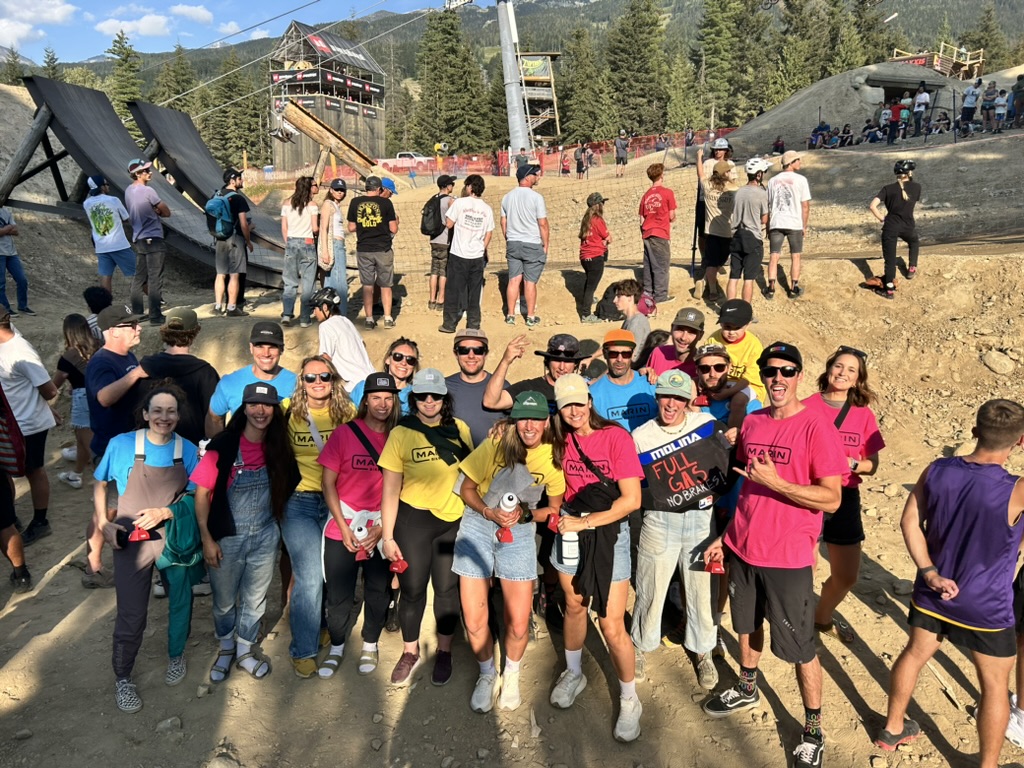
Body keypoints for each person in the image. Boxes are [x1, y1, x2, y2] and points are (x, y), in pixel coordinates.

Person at [702, 341, 845, 768]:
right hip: (743, 547)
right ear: (762, 374)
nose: (777, 378)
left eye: (786, 371)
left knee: (800, 646)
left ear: (800, 375)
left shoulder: (817, 427)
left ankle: (813, 727)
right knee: (745, 625)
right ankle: (748, 686)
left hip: (787, 557)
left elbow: (832, 499)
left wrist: (779, 483)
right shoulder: (754, 422)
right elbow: (749, 486)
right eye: (770, 370)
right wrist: (725, 535)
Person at [874, 400, 1024, 768]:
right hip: (986, 605)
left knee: (915, 653)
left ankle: (892, 727)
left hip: (933, 592)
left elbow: (909, 522)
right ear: (1019, 442)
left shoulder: (937, 470)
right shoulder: (1017, 489)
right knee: (993, 686)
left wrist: (929, 572)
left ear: (974, 431)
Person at [454, 391, 565, 712]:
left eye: (537, 418)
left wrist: (527, 515)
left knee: (517, 622)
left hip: (519, 529)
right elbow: (467, 487)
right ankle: (487, 673)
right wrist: (488, 513)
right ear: (513, 420)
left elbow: (554, 510)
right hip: (478, 522)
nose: (529, 426)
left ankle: (512, 673)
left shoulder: (554, 457)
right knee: (474, 621)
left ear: (547, 421)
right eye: (523, 418)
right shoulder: (496, 443)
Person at [93, 385, 201, 712]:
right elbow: (100, 483)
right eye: (157, 411)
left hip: (174, 536)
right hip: (130, 540)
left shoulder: (189, 450)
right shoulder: (122, 445)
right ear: (145, 413)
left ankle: (176, 656)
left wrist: (168, 511)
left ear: (178, 416)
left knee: (180, 601)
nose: (163, 418)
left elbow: (198, 494)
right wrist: (103, 523)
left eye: (170, 412)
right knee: (131, 611)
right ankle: (123, 678)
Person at [548, 373, 643, 742]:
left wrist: (586, 523)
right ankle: (575, 672)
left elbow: (631, 500)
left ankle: (630, 698)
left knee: (611, 622)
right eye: (565, 405)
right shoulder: (558, 439)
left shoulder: (615, 437)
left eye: (578, 402)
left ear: (590, 401)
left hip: (606, 533)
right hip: (572, 530)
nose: (574, 411)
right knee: (573, 606)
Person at [193, 382, 300, 683]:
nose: (260, 411)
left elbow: (289, 484)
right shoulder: (223, 445)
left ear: (275, 410)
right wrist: (207, 538)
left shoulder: (278, 447)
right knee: (224, 601)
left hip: (266, 536)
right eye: (253, 404)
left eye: (266, 405)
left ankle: (244, 651)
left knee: (255, 599)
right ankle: (225, 648)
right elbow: (202, 495)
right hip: (226, 538)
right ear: (244, 408)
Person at [379, 369, 473, 686]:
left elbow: (472, 475)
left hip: (452, 521)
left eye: (435, 395)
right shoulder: (401, 434)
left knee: (447, 590)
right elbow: (390, 489)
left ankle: (444, 651)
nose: (429, 401)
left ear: (444, 398)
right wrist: (388, 536)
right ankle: (410, 651)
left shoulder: (459, 429)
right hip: (413, 521)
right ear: (414, 398)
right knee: (412, 589)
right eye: (422, 395)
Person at [631, 370, 718, 688]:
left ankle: (703, 650)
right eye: (666, 395)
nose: (671, 403)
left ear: (688, 401)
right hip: (659, 518)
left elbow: (721, 466)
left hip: (699, 519)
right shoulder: (640, 436)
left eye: (679, 398)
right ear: (657, 397)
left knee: (700, 588)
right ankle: (640, 646)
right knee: (650, 587)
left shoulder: (705, 425)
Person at [318, 372, 401, 678]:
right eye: (376, 398)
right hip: (344, 525)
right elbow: (328, 484)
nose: (382, 404)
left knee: (378, 590)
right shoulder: (344, 434)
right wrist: (343, 525)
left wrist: (383, 530)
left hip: (380, 527)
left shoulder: (399, 436)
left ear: (394, 402)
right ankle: (338, 644)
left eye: (388, 398)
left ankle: (369, 643)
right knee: (338, 592)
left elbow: (401, 488)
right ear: (365, 400)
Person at [804, 346, 884, 644]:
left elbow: (872, 465)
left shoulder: (863, 415)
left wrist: (851, 463)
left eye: (851, 370)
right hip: (810, 494)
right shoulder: (805, 406)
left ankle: (821, 616)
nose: (843, 373)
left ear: (857, 380)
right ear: (828, 369)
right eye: (839, 366)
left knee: (847, 575)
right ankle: (796, 621)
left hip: (845, 495)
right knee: (804, 567)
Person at [282, 356, 355, 678]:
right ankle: (303, 649)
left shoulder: (347, 414)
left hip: (337, 502)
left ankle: (319, 625)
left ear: (333, 378)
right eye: (311, 378)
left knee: (327, 572)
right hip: (298, 502)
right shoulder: (287, 410)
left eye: (324, 376)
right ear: (302, 381)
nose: (318, 382)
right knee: (309, 576)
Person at [84, 307, 149, 585]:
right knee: (107, 510)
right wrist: (136, 375)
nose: (139, 328)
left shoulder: (127, 356)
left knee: (122, 506)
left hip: (129, 444)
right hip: (112, 449)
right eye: (132, 324)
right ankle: (93, 567)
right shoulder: (101, 362)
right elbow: (104, 397)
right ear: (113, 331)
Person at [0, 312, 57, 545]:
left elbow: (50, 390)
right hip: (10, 421)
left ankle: (41, 521)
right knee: (4, 470)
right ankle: (10, 517)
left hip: (28, 423)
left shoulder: (21, 351)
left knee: (34, 470)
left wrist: (44, 408)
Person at [139, 308, 220, 446]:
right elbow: (214, 417)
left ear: (164, 331)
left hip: (150, 448)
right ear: (195, 332)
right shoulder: (205, 372)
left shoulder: (145, 368)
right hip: (191, 450)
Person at [205, 321, 295, 437]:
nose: (266, 353)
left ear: (281, 349)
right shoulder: (230, 382)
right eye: (260, 346)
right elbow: (214, 418)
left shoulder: (297, 383)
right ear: (251, 348)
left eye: (272, 347)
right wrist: (218, 450)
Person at [440, 174, 494, 334]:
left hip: (458, 254)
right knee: (474, 291)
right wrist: (481, 247)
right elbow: (489, 233)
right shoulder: (487, 209)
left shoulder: (460, 203)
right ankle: (473, 324)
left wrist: (451, 206)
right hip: (476, 255)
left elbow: (448, 224)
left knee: (453, 290)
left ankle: (449, 324)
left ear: (469, 187)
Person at [51, 314, 99, 490]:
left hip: (82, 398)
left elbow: (54, 385)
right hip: (100, 395)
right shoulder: (98, 346)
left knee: (88, 443)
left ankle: (102, 486)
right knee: (80, 438)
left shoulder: (68, 356)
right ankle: (76, 474)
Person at [483, 333, 588, 413]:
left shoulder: (583, 390)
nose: (562, 367)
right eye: (556, 360)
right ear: (547, 361)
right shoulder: (528, 389)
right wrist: (505, 361)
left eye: (567, 361)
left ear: (576, 364)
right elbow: (490, 402)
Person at [501, 164, 548, 327]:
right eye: (536, 174)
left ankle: (510, 315)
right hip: (532, 243)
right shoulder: (536, 198)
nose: (538, 177)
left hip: (513, 243)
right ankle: (530, 316)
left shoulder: (507, 197)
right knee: (529, 282)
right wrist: (546, 245)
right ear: (528, 177)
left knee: (513, 280)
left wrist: (509, 238)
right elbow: (542, 223)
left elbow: (503, 221)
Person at [348, 176, 398, 329]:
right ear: (379, 189)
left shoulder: (355, 202)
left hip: (364, 248)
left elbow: (351, 227)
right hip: (382, 248)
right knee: (386, 285)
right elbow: (393, 229)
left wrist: (365, 226)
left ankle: (369, 319)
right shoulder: (386, 203)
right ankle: (388, 318)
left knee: (367, 285)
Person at [866, 160, 921, 300]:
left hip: (890, 226)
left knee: (889, 261)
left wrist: (882, 219)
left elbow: (872, 206)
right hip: (908, 225)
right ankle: (912, 268)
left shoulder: (887, 189)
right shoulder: (917, 187)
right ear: (909, 173)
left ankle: (889, 290)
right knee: (914, 242)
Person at [124, 159, 170, 326]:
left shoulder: (128, 191)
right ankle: (155, 316)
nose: (149, 172)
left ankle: (137, 313)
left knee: (139, 278)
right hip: (154, 238)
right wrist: (157, 211)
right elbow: (166, 211)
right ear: (137, 174)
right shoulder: (148, 191)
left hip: (139, 238)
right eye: (145, 170)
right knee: (155, 278)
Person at [588, 329, 656, 432]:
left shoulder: (650, 383)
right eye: (613, 354)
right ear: (605, 354)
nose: (619, 359)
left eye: (626, 354)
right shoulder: (593, 393)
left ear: (632, 354)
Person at [766, 150, 811, 300]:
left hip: (776, 222)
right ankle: (793, 287)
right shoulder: (801, 180)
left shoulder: (772, 181)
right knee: (796, 256)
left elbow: (768, 204)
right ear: (791, 163)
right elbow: (805, 205)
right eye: (797, 160)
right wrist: (804, 225)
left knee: (774, 256)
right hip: (794, 222)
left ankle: (771, 287)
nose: (800, 162)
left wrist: (767, 226)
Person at [445, 329, 502, 446]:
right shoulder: (444, 388)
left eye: (478, 351)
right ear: (456, 354)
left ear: (485, 353)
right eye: (464, 350)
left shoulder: (501, 386)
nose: (471, 356)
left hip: (494, 461)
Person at [310, 287, 373, 392]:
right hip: (370, 378)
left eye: (315, 308)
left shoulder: (326, 326)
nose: (314, 313)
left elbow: (325, 358)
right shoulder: (346, 321)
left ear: (325, 307)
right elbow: (363, 344)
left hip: (353, 386)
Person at [695, 146, 738, 303]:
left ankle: (711, 290)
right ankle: (707, 282)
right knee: (722, 261)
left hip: (711, 231)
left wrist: (699, 157)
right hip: (727, 232)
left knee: (712, 262)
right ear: (725, 173)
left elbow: (700, 173)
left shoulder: (707, 186)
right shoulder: (733, 189)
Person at [82, 175, 135, 296]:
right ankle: (156, 301)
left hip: (101, 246)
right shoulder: (113, 200)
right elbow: (126, 218)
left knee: (106, 276)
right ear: (101, 187)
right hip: (119, 245)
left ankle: (105, 306)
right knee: (136, 275)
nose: (108, 186)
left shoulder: (86, 203)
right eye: (106, 184)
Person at [211, 169, 253, 318]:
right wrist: (248, 241)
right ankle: (232, 307)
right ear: (233, 180)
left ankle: (217, 306)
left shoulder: (216, 195)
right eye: (240, 178)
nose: (242, 180)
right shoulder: (238, 198)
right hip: (235, 239)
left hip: (220, 238)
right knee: (235, 274)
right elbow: (243, 224)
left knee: (221, 273)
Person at [729, 158, 770, 305]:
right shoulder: (761, 194)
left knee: (734, 277)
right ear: (758, 175)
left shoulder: (738, 192)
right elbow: (764, 219)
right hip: (752, 237)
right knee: (748, 279)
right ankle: (745, 310)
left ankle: (729, 308)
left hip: (736, 236)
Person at [707, 299, 765, 404]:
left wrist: (729, 392)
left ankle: (735, 421)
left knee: (738, 400)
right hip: (720, 382)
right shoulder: (713, 340)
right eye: (727, 327)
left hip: (748, 385)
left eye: (737, 328)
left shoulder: (753, 345)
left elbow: (749, 379)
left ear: (748, 325)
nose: (731, 332)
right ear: (721, 324)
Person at [280, 176, 319, 328]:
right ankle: (304, 318)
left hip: (291, 242)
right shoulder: (312, 205)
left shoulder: (286, 203)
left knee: (290, 282)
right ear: (309, 188)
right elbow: (315, 228)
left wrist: (288, 242)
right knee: (308, 283)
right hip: (308, 242)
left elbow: (284, 227)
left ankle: (287, 314)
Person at [349, 337, 419, 417]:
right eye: (398, 356)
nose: (403, 363)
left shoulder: (416, 396)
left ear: (414, 365)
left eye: (410, 360)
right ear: (388, 359)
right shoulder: (363, 388)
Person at [638, 163, 677, 306]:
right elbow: (672, 215)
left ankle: (647, 293)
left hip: (647, 232)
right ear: (661, 176)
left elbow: (641, 218)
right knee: (661, 265)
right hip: (660, 233)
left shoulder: (646, 195)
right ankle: (660, 295)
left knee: (648, 265)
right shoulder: (667, 193)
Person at [578, 192, 611, 323]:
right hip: (595, 256)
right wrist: (605, 241)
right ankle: (586, 314)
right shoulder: (598, 220)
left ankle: (588, 299)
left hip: (584, 257)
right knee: (592, 285)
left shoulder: (586, 220)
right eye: (602, 203)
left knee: (589, 282)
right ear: (598, 205)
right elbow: (608, 237)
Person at [644, 307, 704, 377]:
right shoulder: (658, 353)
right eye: (680, 329)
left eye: (691, 332)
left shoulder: (704, 366)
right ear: (672, 328)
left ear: (700, 336)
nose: (683, 338)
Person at [317, 178, 349, 308]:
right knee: (340, 282)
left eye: (342, 190)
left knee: (333, 280)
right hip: (334, 245)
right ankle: (341, 313)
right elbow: (323, 229)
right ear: (331, 190)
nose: (340, 192)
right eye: (337, 189)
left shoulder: (336, 205)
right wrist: (325, 251)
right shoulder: (328, 204)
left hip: (339, 244)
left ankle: (331, 311)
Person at [427, 175, 457, 312]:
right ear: (447, 186)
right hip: (445, 240)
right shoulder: (450, 201)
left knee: (434, 270)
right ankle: (441, 300)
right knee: (443, 271)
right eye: (452, 184)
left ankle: (431, 300)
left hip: (434, 239)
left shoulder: (433, 199)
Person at [0, 206, 32, 317]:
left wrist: (4, 230)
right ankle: (5, 309)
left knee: (22, 279)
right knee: (1, 283)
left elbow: (16, 231)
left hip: (11, 252)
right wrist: (8, 228)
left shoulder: (6, 211)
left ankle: (23, 306)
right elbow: (10, 229)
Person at [610, 279, 650, 362]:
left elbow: (629, 358)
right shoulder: (629, 320)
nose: (614, 300)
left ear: (630, 298)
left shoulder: (636, 323)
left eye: (619, 296)